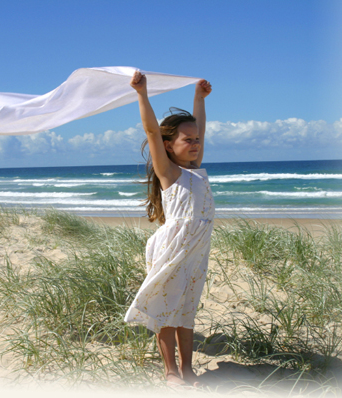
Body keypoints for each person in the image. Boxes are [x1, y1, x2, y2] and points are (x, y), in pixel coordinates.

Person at [124, 71, 213, 388]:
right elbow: (150, 130)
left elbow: (199, 126)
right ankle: (171, 372)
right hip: (172, 249)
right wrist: (142, 94)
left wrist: (198, 100)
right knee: (166, 311)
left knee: (186, 311)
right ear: (168, 146)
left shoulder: (197, 169)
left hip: (195, 253)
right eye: (187, 140)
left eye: (197, 140)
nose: (194, 143)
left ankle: (188, 369)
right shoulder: (170, 172)